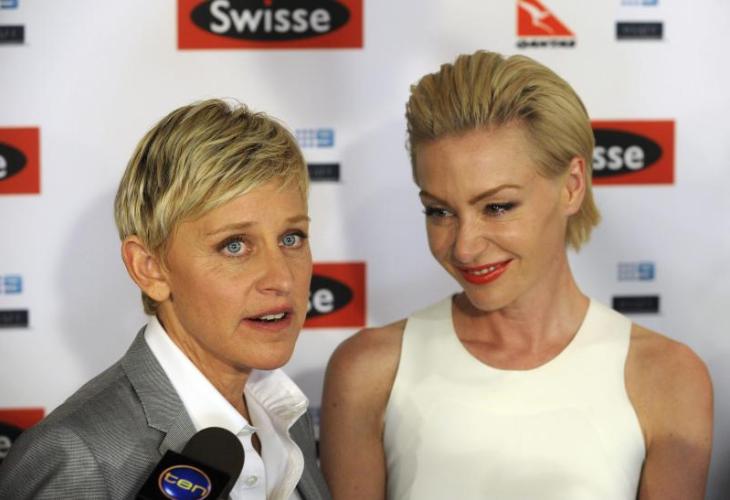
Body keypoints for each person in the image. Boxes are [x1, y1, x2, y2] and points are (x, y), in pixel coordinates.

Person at [320, 51, 713, 500]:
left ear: (572, 186)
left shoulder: (666, 377)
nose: (464, 246)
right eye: (439, 211)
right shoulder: (368, 372)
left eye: (497, 207)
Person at [0, 99, 331, 500]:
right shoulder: (77, 458)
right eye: (234, 245)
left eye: (291, 238)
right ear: (150, 269)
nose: (282, 278)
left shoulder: (285, 416)